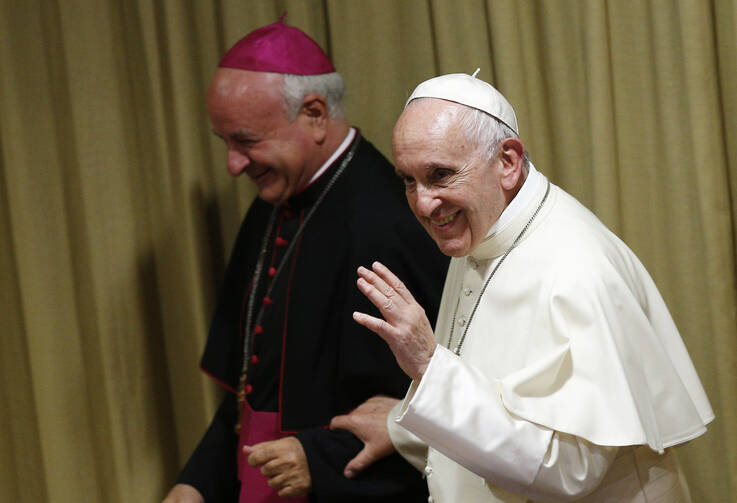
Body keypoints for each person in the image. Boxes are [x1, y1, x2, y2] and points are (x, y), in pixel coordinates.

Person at [333, 71, 715, 502]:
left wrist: (427, 365)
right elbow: (496, 392)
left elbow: (569, 470)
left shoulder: (576, 269)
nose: (423, 203)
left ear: (508, 163)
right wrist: (402, 425)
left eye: (440, 175)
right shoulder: (484, 229)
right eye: (408, 179)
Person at [163, 17, 449, 503]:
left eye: (246, 141)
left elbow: (431, 405)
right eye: (225, 143)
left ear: (315, 113)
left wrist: (319, 460)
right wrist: (195, 484)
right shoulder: (273, 205)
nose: (233, 164)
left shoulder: (388, 222)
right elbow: (251, 393)